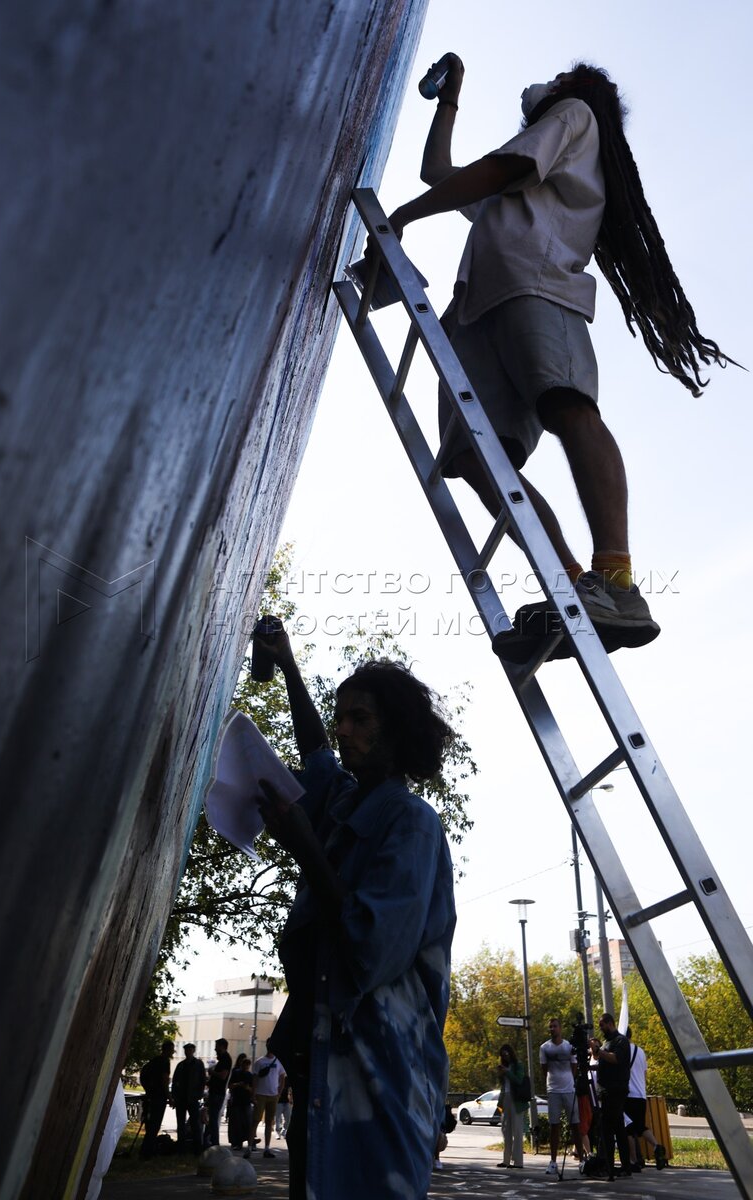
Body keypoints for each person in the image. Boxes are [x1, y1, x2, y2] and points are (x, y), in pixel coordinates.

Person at [386, 56, 734, 662]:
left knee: (567, 408)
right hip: (477, 312)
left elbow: (504, 166)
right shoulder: (521, 183)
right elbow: (439, 173)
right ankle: (576, 585)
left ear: (577, 87)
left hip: (537, 286)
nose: (543, 83)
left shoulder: (575, 114)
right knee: (472, 459)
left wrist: (406, 217)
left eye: (559, 75)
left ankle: (617, 582)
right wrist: (450, 100)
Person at [252, 625, 457, 1200]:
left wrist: (306, 848)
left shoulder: (413, 824)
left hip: (384, 1075)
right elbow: (318, 758)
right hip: (321, 1065)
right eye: (341, 717)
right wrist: (289, 666)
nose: (343, 729)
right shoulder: (344, 801)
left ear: (396, 730)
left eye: (359, 718)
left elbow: (371, 943)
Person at [589, 1013, 632, 1179]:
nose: (601, 1029)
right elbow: (600, 1058)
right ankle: (620, 1166)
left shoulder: (621, 1041)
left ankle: (613, 1167)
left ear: (610, 1023)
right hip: (606, 1091)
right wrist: (595, 1051)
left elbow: (615, 1059)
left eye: (602, 1025)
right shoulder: (607, 1042)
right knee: (617, 1129)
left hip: (615, 1090)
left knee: (609, 1130)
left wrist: (599, 1051)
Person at [539, 1017, 581, 1173]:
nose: (552, 1029)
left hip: (569, 1089)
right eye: (550, 1026)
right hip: (553, 1090)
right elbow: (544, 1069)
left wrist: (569, 1080)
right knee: (554, 1126)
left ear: (560, 1028)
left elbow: (574, 1065)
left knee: (575, 1124)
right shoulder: (544, 1048)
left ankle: (582, 1160)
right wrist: (553, 1082)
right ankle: (553, 1162)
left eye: (555, 1026)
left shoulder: (569, 1046)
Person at [624, 1026, 667, 1171]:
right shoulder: (640, 1051)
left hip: (628, 1095)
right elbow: (644, 1074)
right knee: (641, 1127)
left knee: (628, 1129)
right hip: (640, 1095)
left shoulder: (622, 1050)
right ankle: (656, 1146)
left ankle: (633, 1161)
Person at [246, 1040, 285, 1159]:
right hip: (260, 1095)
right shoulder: (259, 1062)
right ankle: (249, 1148)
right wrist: (253, 1094)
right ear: (267, 1046)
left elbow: (282, 1077)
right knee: (255, 1121)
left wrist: (279, 1093)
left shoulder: (278, 1062)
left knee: (269, 1123)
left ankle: (267, 1148)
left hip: (273, 1096)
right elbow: (254, 1079)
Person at [139, 1038, 174, 1159]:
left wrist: (148, 1090)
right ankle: (148, 1151)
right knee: (155, 1125)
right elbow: (165, 1080)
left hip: (150, 1096)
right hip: (159, 1097)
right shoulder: (165, 1062)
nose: (173, 1052)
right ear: (167, 1050)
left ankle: (146, 1149)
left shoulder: (154, 1061)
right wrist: (169, 1097)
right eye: (172, 1050)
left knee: (150, 1124)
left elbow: (143, 1075)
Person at [496, 1044, 528, 1169]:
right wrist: (501, 1074)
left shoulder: (518, 1065)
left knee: (517, 1131)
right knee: (506, 1130)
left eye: (506, 1054)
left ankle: (518, 1161)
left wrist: (507, 1072)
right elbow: (503, 1086)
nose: (505, 1057)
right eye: (502, 1055)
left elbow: (519, 1080)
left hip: (517, 1101)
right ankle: (506, 1160)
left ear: (511, 1053)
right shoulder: (504, 1067)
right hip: (506, 1099)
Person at [171, 1043, 206, 1155]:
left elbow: (202, 1080)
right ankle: (181, 1148)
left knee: (195, 1124)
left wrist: (199, 1093)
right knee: (181, 1124)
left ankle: (197, 1149)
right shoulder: (181, 1065)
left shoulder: (198, 1064)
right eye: (186, 1050)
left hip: (193, 1098)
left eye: (190, 1050)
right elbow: (175, 1081)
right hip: (181, 1098)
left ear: (193, 1051)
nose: (188, 1052)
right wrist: (174, 1097)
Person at [207, 1037, 233, 1146]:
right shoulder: (223, 1059)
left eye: (217, 1046)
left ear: (222, 1047)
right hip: (216, 1092)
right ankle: (208, 1140)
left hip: (217, 1093)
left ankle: (214, 1143)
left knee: (213, 1119)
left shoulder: (225, 1059)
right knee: (212, 1118)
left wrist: (212, 1072)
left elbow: (223, 1076)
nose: (215, 1049)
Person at [227, 1056, 255, 1151]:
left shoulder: (249, 1075)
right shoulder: (236, 1073)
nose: (246, 1067)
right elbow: (230, 1085)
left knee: (248, 1122)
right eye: (245, 1065)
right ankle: (239, 1142)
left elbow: (253, 1089)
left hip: (246, 1101)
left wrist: (247, 1088)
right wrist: (239, 1084)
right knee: (238, 1123)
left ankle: (250, 1142)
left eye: (247, 1066)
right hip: (237, 1101)